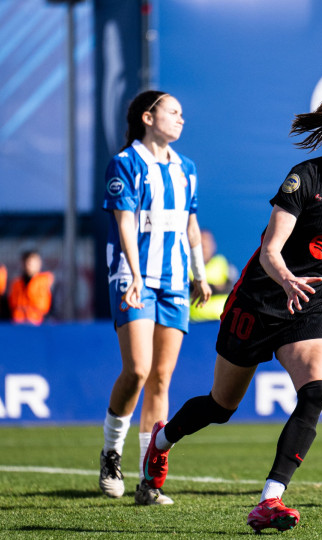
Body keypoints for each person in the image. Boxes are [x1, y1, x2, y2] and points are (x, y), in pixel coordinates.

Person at [141, 92, 322, 532]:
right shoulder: (307, 176)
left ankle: (270, 500)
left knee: (317, 392)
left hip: (311, 307)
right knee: (221, 406)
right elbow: (269, 250)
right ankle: (161, 442)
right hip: (260, 301)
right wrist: (285, 279)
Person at [98, 90, 212, 506]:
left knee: (162, 378)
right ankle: (112, 453)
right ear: (148, 117)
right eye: (173, 111)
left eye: (183, 112)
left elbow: (191, 225)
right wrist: (130, 272)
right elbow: (125, 222)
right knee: (138, 370)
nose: (182, 118)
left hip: (176, 280)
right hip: (134, 277)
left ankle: (150, 479)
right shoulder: (125, 163)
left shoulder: (186, 168)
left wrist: (200, 274)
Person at [189, 229, 239, 322]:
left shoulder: (223, 263)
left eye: (206, 245)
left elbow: (232, 288)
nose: (204, 248)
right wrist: (216, 287)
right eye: (200, 245)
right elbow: (189, 287)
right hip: (193, 323)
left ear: (213, 246)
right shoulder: (186, 266)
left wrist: (202, 286)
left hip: (220, 322)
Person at [7, 250, 54, 324]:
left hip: (40, 324)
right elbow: (11, 306)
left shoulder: (47, 282)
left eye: (33, 262)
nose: (30, 265)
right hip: (18, 325)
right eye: (28, 262)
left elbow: (51, 308)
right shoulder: (16, 283)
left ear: (39, 263)